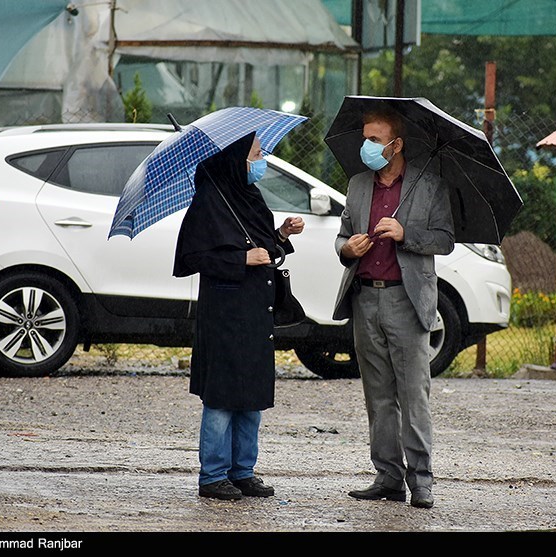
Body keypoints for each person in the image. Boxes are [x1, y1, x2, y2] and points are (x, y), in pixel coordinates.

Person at [332, 106, 455, 509]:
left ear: (396, 144)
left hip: (406, 299)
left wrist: (406, 233)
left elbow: (445, 240)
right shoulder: (357, 185)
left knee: (413, 394)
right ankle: (388, 476)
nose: (366, 146)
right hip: (365, 297)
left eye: (375, 139)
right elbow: (342, 237)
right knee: (378, 396)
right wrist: (347, 248)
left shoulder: (429, 185)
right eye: (364, 138)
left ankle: (422, 480)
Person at [173, 132, 305, 501]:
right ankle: (213, 475)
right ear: (235, 158)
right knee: (221, 396)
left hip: (256, 311)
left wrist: (281, 233)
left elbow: (263, 244)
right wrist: (240, 260)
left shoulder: (249, 196)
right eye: (256, 154)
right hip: (224, 314)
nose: (261, 161)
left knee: (251, 394)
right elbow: (191, 259)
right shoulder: (209, 200)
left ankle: (242, 471)